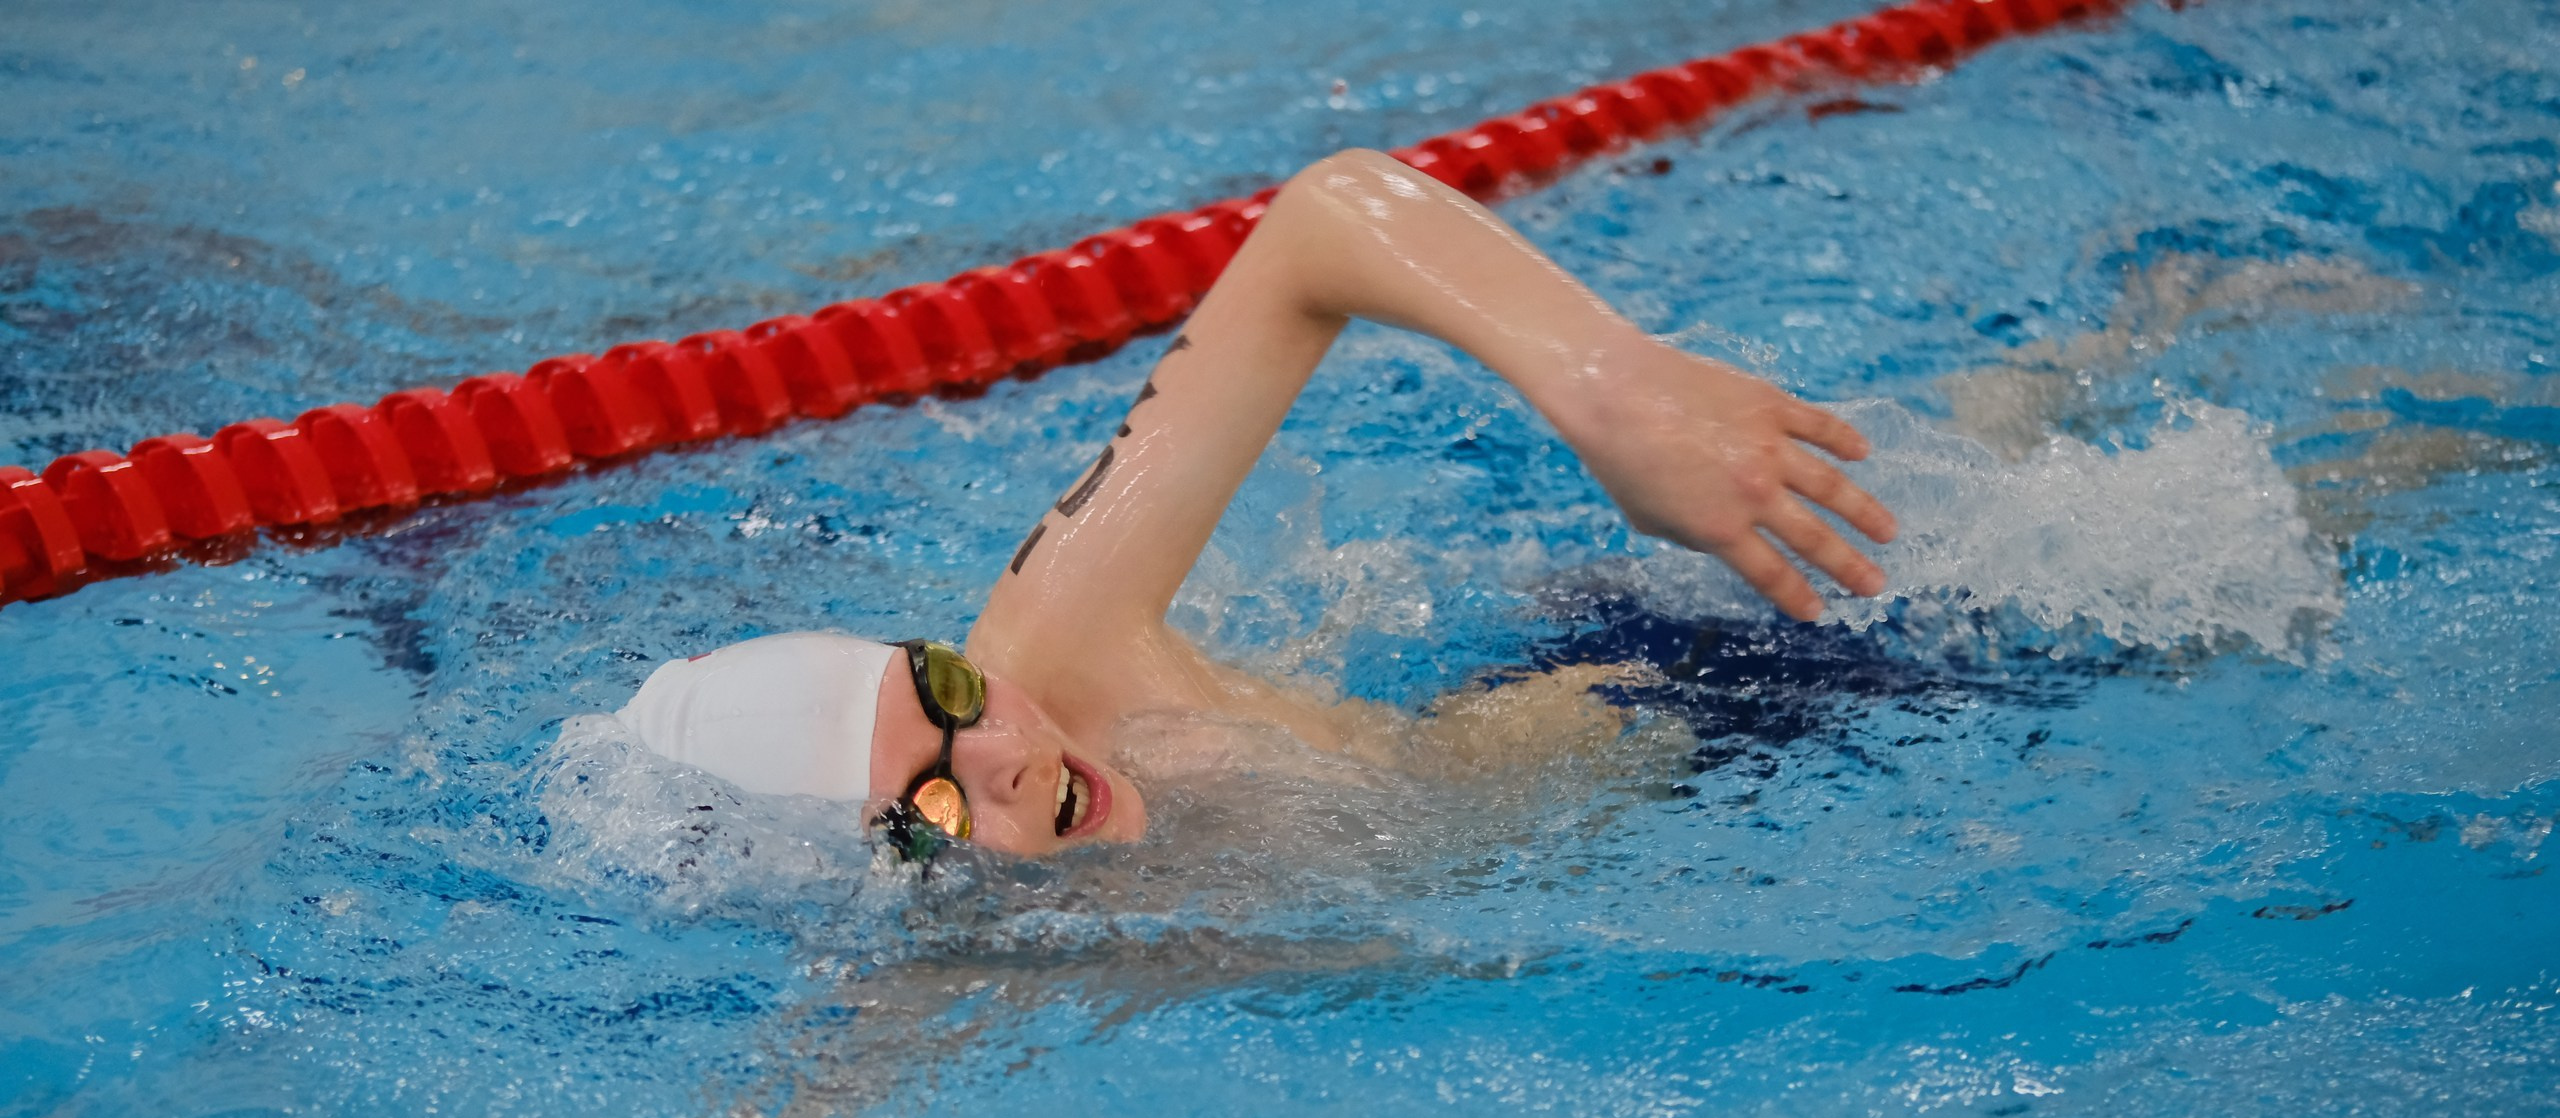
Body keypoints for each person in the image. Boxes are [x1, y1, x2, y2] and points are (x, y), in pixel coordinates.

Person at [618, 147, 1897, 859]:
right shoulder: (960, 978)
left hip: (1716, 682)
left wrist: (1610, 385)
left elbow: (1321, 223)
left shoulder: (1061, 648)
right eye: (935, 808)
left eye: (946, 690)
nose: (1011, 749)